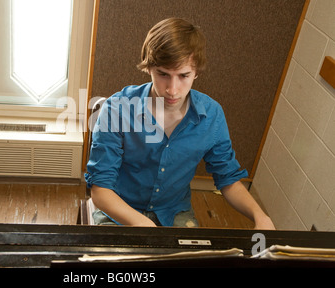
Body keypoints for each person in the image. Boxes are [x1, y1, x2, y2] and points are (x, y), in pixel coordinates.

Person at [85, 17, 275, 230]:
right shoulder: (116, 109)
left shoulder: (212, 115)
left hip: (172, 209)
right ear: (149, 68)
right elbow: (100, 189)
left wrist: (260, 216)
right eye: (163, 74)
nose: (172, 89)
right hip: (119, 207)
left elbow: (228, 178)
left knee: (186, 262)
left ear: (197, 73)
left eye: (183, 75)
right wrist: (143, 224)